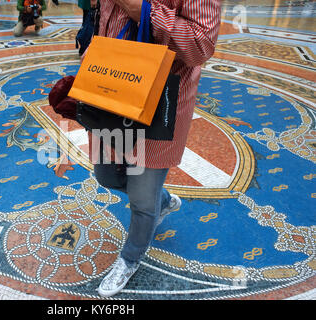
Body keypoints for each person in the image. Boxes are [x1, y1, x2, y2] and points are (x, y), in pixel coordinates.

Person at [82, 0, 222, 297]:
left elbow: (201, 44)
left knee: (143, 201)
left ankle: (129, 258)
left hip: (160, 99)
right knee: (106, 175)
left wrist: (141, 8)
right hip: (112, 88)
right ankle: (166, 200)